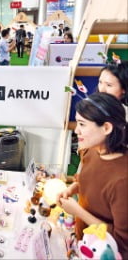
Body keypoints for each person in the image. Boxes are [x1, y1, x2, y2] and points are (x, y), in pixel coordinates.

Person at [57, 92, 128, 258]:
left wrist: (78, 211)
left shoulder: (122, 182)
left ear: (106, 128)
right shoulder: (91, 150)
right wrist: (73, 188)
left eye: (82, 124)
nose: (76, 131)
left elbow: (120, 240)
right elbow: (86, 179)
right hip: (83, 242)